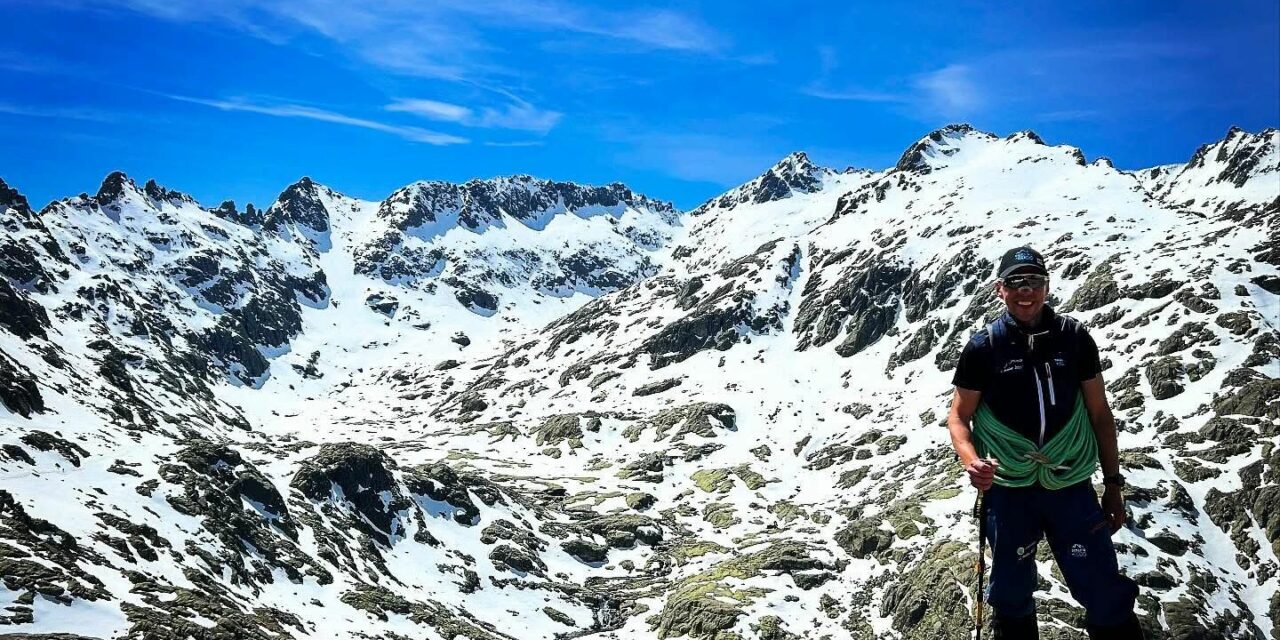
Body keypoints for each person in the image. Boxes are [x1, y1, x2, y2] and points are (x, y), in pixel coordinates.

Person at [946, 246, 1144, 640]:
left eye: (1034, 281)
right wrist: (972, 462)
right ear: (999, 289)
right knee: (1010, 593)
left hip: (1068, 481)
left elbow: (1100, 416)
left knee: (1103, 589)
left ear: (1047, 286)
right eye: (1016, 282)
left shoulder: (1074, 339)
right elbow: (958, 417)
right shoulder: (984, 347)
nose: (1026, 291)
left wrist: (1114, 486)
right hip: (1008, 486)